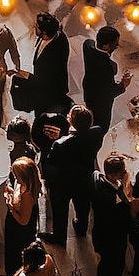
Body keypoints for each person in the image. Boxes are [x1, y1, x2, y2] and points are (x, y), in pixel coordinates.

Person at [41, 104, 104, 246]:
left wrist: (55, 139)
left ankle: (59, 236)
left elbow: (51, 160)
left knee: (60, 210)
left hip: (63, 182)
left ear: (71, 122)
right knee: (83, 205)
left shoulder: (60, 144)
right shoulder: (96, 133)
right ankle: (81, 228)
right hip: (84, 178)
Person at [91, 155, 133, 276]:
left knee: (110, 269)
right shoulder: (110, 197)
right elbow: (123, 213)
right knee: (112, 269)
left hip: (107, 234)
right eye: (122, 172)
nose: (125, 174)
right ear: (114, 175)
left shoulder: (100, 178)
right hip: (111, 237)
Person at [82, 26, 132, 133]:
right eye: (115, 44)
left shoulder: (88, 46)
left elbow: (89, 41)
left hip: (89, 92)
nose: (117, 46)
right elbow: (109, 93)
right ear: (106, 46)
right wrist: (123, 84)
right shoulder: (107, 67)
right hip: (100, 105)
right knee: (100, 127)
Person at [26, 12, 71, 117]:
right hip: (45, 90)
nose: (35, 28)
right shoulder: (55, 35)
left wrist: (25, 75)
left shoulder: (55, 52)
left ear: (44, 33)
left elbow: (44, 80)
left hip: (49, 96)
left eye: (37, 27)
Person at [4, 156, 41, 276]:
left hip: (20, 231)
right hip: (15, 225)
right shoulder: (23, 184)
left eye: (16, 175)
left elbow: (23, 221)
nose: (15, 177)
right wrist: (11, 192)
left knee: (14, 254)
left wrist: (11, 208)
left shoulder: (27, 196)